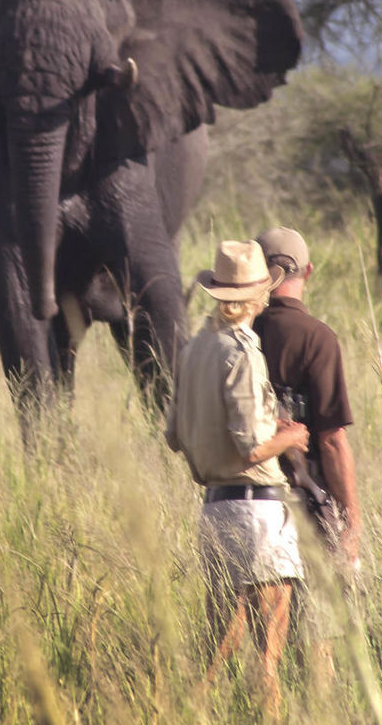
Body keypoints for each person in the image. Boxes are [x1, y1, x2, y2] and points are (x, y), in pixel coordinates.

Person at [164, 238, 310, 719]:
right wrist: (290, 437)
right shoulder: (243, 352)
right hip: (259, 511)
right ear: (255, 297)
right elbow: (251, 445)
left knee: (217, 648)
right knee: (267, 657)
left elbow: (173, 435)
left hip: (215, 508)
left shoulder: (192, 350)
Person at [251, 227, 362, 567]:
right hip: (306, 501)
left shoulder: (240, 334)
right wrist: (352, 521)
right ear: (308, 271)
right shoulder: (319, 338)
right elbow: (332, 440)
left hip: (245, 496)